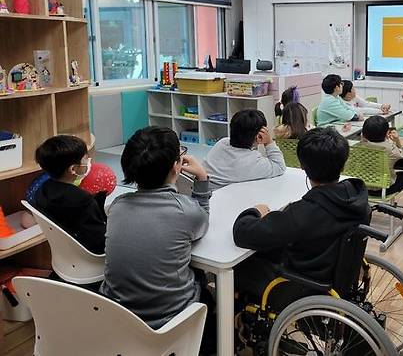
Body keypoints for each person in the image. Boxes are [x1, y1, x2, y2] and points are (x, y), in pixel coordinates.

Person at [100, 126, 215, 352]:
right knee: (204, 281)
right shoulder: (184, 210)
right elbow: (202, 223)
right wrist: (202, 178)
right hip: (169, 319)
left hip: (118, 315)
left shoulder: (117, 206)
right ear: (176, 166)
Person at [232, 127, 370, 299]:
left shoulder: (305, 213)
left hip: (302, 287)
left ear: (303, 166)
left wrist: (254, 211)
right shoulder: (356, 196)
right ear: (343, 164)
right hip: (332, 277)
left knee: (240, 267)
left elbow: (242, 234)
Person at [33, 135, 106, 254]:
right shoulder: (83, 199)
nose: (88, 160)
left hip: (64, 254)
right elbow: (99, 240)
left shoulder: (42, 190)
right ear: (73, 169)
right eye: (85, 158)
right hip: (89, 255)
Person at [204, 109, 286, 189]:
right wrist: (269, 142)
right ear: (259, 135)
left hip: (202, 192)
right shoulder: (253, 161)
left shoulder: (222, 143)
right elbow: (280, 166)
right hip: (220, 197)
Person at [357, 115, 403, 196]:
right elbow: (402, 155)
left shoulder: (357, 147)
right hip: (382, 190)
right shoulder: (390, 149)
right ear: (386, 134)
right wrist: (397, 140)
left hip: (361, 188)